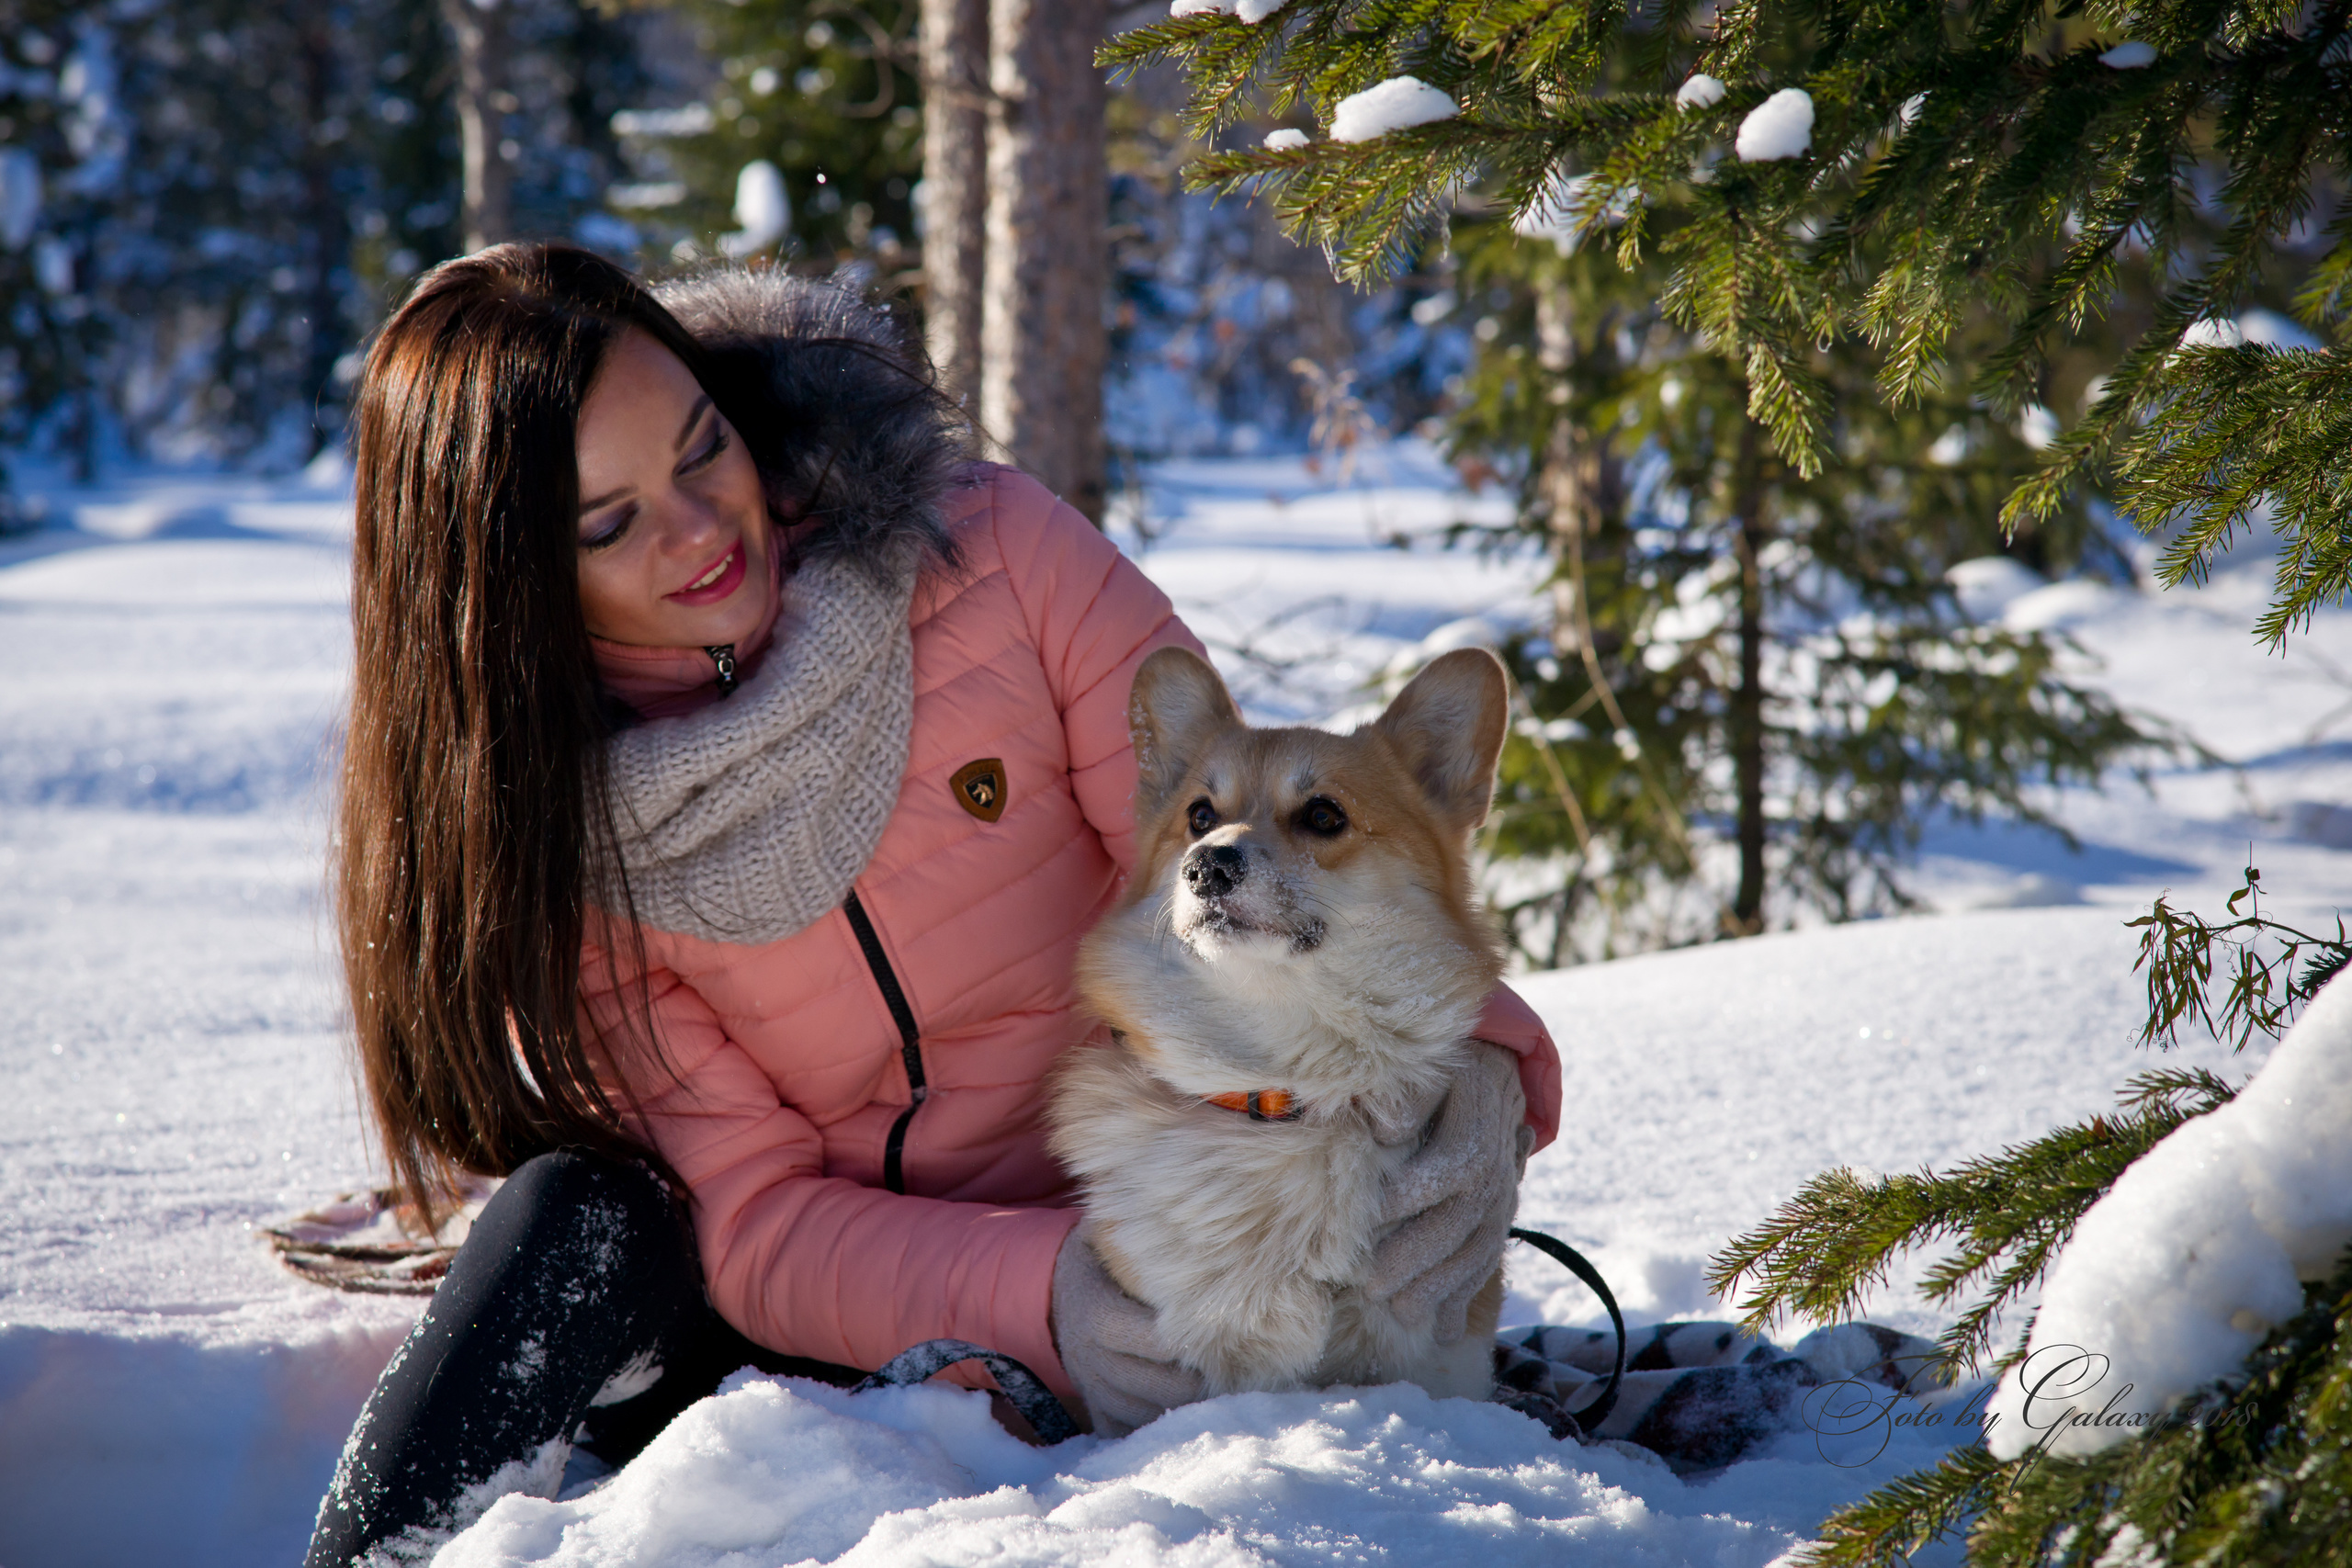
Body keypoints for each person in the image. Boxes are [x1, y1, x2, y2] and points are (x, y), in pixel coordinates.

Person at [307, 242, 1561, 1565]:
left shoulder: (998, 558)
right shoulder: (561, 837)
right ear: (505, 587)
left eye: (702, 447)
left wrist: (1483, 1060)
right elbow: (759, 1216)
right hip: (844, 1340)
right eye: (608, 524)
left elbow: (1279, 860)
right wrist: (1049, 1295)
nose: (699, 529)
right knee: (578, 1217)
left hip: (1194, 1221)